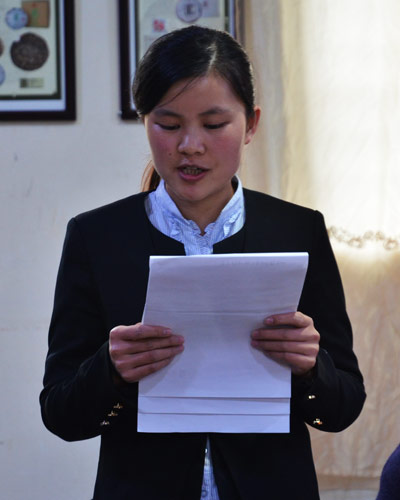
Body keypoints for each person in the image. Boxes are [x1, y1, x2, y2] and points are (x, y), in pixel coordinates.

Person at [40, 25, 366, 500]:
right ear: (144, 121)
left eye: (214, 125)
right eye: (168, 124)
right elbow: (60, 412)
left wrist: (311, 367)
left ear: (251, 124)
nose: (190, 145)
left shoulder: (299, 230)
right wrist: (109, 369)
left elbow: (344, 407)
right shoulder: (96, 237)